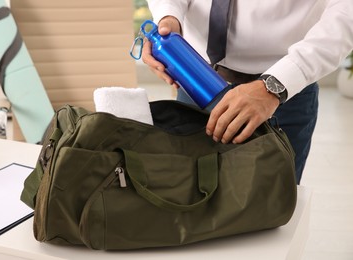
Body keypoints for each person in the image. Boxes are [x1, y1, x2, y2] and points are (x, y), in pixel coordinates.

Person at [141, 0, 353, 184]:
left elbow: (346, 11)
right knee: (186, 199)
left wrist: (274, 85)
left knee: (266, 213)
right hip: (195, 80)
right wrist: (167, 16)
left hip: (281, 95)